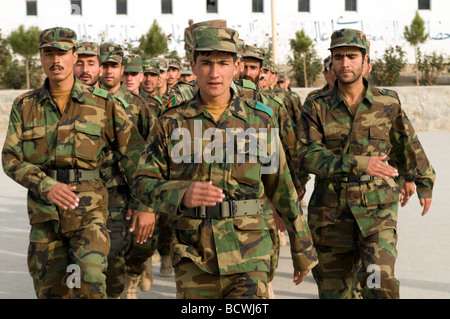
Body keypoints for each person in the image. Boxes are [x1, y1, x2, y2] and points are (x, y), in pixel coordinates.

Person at [133, 25, 317, 299]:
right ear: (194, 66)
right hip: (194, 255)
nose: (214, 72)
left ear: (237, 66)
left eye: (223, 63)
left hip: (250, 252)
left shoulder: (259, 120)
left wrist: (302, 247)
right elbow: (143, 182)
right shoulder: (171, 122)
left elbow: (282, 186)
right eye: (206, 63)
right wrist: (181, 193)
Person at [1, 27, 153, 299]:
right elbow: (10, 158)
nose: (55, 60)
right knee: (53, 291)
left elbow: (135, 156)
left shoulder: (103, 103)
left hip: (90, 212)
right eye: (49, 53)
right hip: (45, 215)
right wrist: (45, 185)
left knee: (91, 280)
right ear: (41, 58)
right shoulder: (25, 105)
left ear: (73, 56)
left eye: (62, 53)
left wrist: (144, 204)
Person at [298, 28, 435, 299]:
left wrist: (421, 181)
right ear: (332, 62)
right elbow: (306, 155)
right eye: (338, 57)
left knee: (379, 282)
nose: (345, 63)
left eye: (351, 56)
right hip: (330, 216)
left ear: (365, 60)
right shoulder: (316, 105)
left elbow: (406, 143)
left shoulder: (387, 101)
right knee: (336, 293)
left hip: (376, 212)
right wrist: (360, 163)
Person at [99, 44, 156, 299]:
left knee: (138, 244)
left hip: (128, 188)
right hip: (97, 188)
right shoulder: (86, 101)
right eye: (104, 65)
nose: (108, 71)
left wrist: (141, 198)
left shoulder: (137, 105)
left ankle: (135, 273)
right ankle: (118, 289)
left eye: (113, 66)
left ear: (122, 70)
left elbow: (150, 151)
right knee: (109, 252)